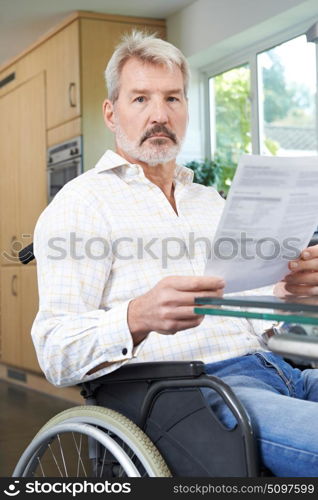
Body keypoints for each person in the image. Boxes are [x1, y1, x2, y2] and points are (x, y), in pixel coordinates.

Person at [32, 30, 318, 477]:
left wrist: (289, 293)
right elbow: (54, 352)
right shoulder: (81, 203)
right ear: (111, 112)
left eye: (173, 99)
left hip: (282, 372)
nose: (159, 115)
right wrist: (137, 316)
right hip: (195, 394)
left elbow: (254, 319)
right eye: (141, 99)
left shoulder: (210, 200)